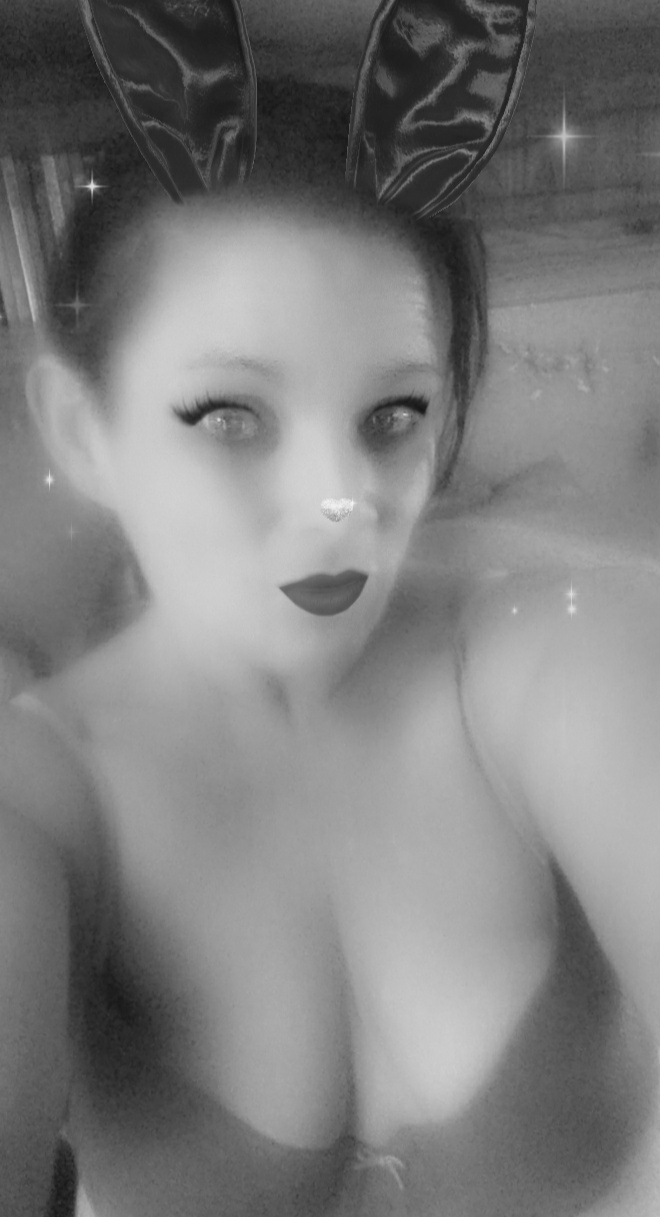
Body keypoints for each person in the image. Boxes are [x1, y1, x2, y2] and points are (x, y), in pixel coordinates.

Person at [2, 125, 660, 1217]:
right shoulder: (38, 797)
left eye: (392, 416)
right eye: (231, 415)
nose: (338, 501)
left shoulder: (556, 652)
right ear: (82, 429)